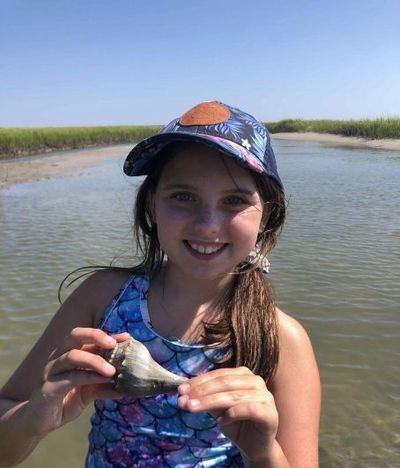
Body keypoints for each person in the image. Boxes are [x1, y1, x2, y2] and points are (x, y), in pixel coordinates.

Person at [0, 101, 320, 467]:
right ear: (152, 204)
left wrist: (264, 452)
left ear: (267, 214)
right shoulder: (102, 297)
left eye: (234, 200)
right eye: (183, 196)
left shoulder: (280, 337)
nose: (208, 225)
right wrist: (31, 421)